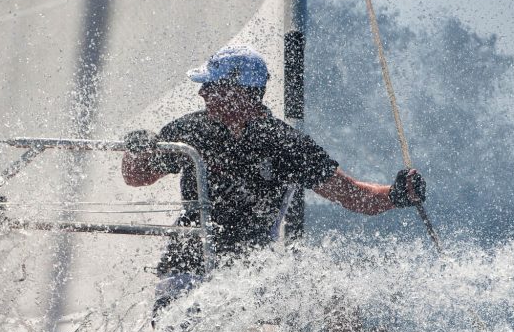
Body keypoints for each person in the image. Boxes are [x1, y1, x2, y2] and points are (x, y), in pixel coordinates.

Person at [122, 45, 426, 312]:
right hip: (188, 253)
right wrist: (136, 152)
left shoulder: (286, 145)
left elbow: (353, 196)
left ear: (239, 92)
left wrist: (395, 194)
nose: (202, 93)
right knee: (176, 324)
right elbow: (136, 177)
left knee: (330, 301)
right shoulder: (190, 130)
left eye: (210, 86)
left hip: (248, 262)